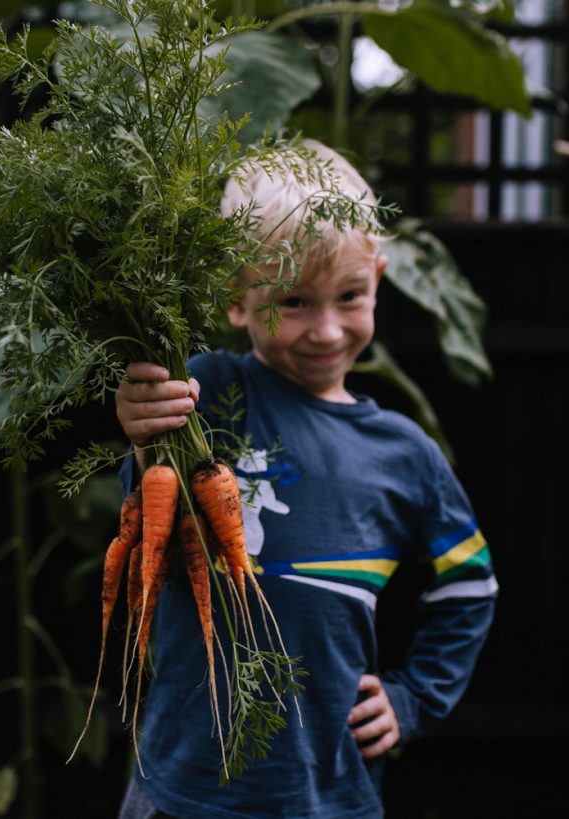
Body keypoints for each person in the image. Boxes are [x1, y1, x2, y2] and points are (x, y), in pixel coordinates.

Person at [113, 140, 498, 819]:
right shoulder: (207, 392)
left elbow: (471, 584)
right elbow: (147, 514)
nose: (326, 330)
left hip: (327, 791)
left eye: (350, 296)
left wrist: (414, 696)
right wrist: (145, 432)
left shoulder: (404, 453)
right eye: (293, 301)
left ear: (378, 277)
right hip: (182, 786)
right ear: (238, 300)